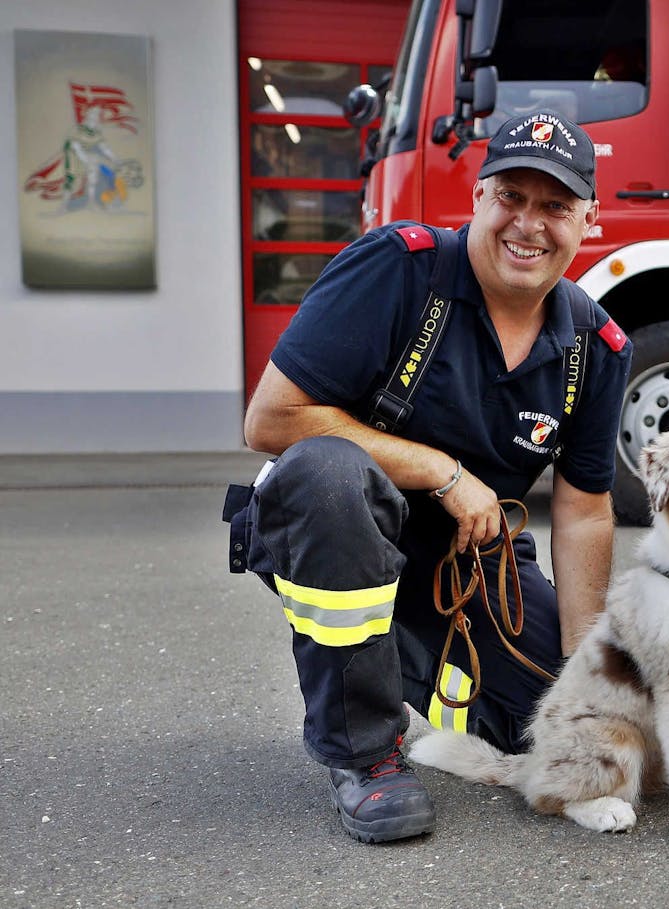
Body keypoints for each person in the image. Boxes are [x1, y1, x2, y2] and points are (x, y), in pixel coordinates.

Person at [229, 110, 632, 842]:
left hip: (465, 561)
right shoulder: (398, 268)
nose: (529, 224)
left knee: (553, 727)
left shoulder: (596, 348)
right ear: (478, 196)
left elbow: (583, 511)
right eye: (512, 195)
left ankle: (414, 676)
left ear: (589, 220)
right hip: (335, 524)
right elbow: (270, 419)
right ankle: (364, 754)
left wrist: (584, 675)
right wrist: (440, 471)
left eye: (555, 207)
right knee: (329, 472)